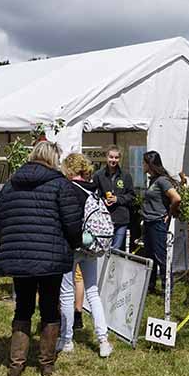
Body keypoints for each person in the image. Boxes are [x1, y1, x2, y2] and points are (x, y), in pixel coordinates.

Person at [0, 141, 82, 376]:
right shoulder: (61, 185)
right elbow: (73, 224)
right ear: (53, 158)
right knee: (50, 308)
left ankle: (16, 364)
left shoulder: (11, 185)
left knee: (23, 307)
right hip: (50, 256)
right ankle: (46, 364)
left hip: (19, 255)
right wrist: (73, 244)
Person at [57, 153, 113, 358]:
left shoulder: (68, 189)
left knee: (67, 293)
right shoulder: (94, 190)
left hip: (73, 247)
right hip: (92, 247)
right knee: (93, 292)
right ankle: (103, 340)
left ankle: (66, 339)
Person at [141, 151, 181, 294]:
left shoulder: (162, 181)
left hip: (157, 222)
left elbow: (176, 198)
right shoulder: (152, 180)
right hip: (148, 221)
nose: (142, 165)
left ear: (150, 164)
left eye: (144, 162)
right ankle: (150, 285)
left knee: (160, 255)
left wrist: (169, 215)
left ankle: (167, 287)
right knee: (149, 255)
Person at [93, 145, 135, 251]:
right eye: (111, 157)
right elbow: (94, 195)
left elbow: (131, 196)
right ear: (106, 157)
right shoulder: (98, 175)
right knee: (105, 248)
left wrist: (117, 199)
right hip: (104, 218)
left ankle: (115, 268)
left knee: (116, 249)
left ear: (119, 159)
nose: (113, 160)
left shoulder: (126, 176)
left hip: (121, 218)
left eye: (116, 158)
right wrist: (103, 201)